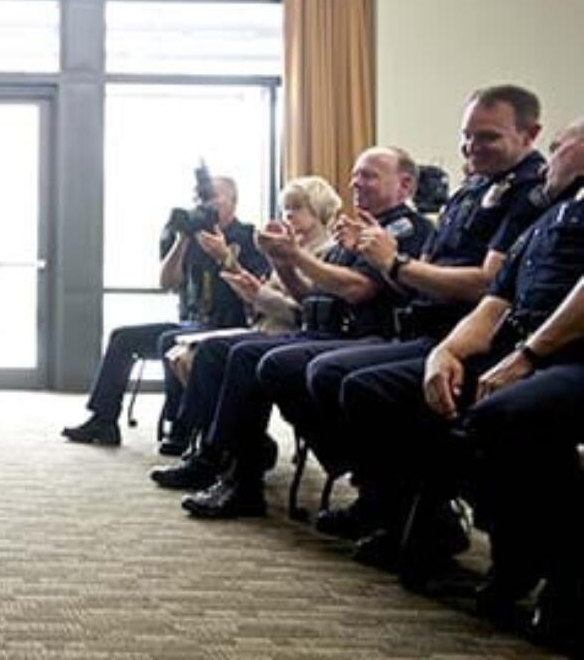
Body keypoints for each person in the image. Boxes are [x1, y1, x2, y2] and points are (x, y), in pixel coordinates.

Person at [337, 120, 584, 646]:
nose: (553, 155)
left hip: (568, 358)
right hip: (521, 353)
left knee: (507, 414)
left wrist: (526, 354)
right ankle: (496, 546)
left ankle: (560, 576)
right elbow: (496, 300)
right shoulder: (546, 218)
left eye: (562, 145)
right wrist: (448, 353)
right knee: (447, 401)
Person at [294, 85, 545, 542]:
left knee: (355, 383)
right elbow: (408, 278)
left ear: (530, 134)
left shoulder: (530, 193)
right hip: (423, 328)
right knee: (327, 375)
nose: (472, 148)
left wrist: (394, 261)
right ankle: (391, 499)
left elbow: (489, 282)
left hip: (471, 341)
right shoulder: (473, 188)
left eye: (488, 137)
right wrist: (384, 261)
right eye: (467, 136)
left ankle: (418, 509)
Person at [172, 148, 433, 517]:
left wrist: (294, 256)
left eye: (370, 176)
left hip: (365, 336)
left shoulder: (406, 229)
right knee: (219, 350)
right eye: (356, 174)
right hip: (322, 328)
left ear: (404, 184)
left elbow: (358, 289)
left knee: (252, 357)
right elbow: (313, 298)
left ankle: (247, 478)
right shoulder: (356, 228)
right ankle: (218, 460)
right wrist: (283, 262)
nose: (357, 182)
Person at [150, 175, 339, 488]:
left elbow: (303, 310)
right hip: (262, 327)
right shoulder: (292, 249)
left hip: (287, 336)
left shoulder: (326, 252)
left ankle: (217, 453)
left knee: (204, 356)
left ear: (318, 210)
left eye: (297, 208)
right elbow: (265, 298)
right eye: (285, 209)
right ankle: (233, 447)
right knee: (180, 354)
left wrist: (256, 293)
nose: (288, 215)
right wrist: (252, 292)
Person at [61, 177, 268, 448]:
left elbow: (258, 290)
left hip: (230, 325)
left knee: (170, 340)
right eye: (199, 199)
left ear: (233, 201)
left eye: (212, 197)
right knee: (122, 337)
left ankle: (181, 426)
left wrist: (224, 255)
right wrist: (182, 240)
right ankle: (103, 420)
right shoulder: (186, 235)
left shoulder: (248, 237)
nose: (204, 204)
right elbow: (167, 283)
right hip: (190, 323)